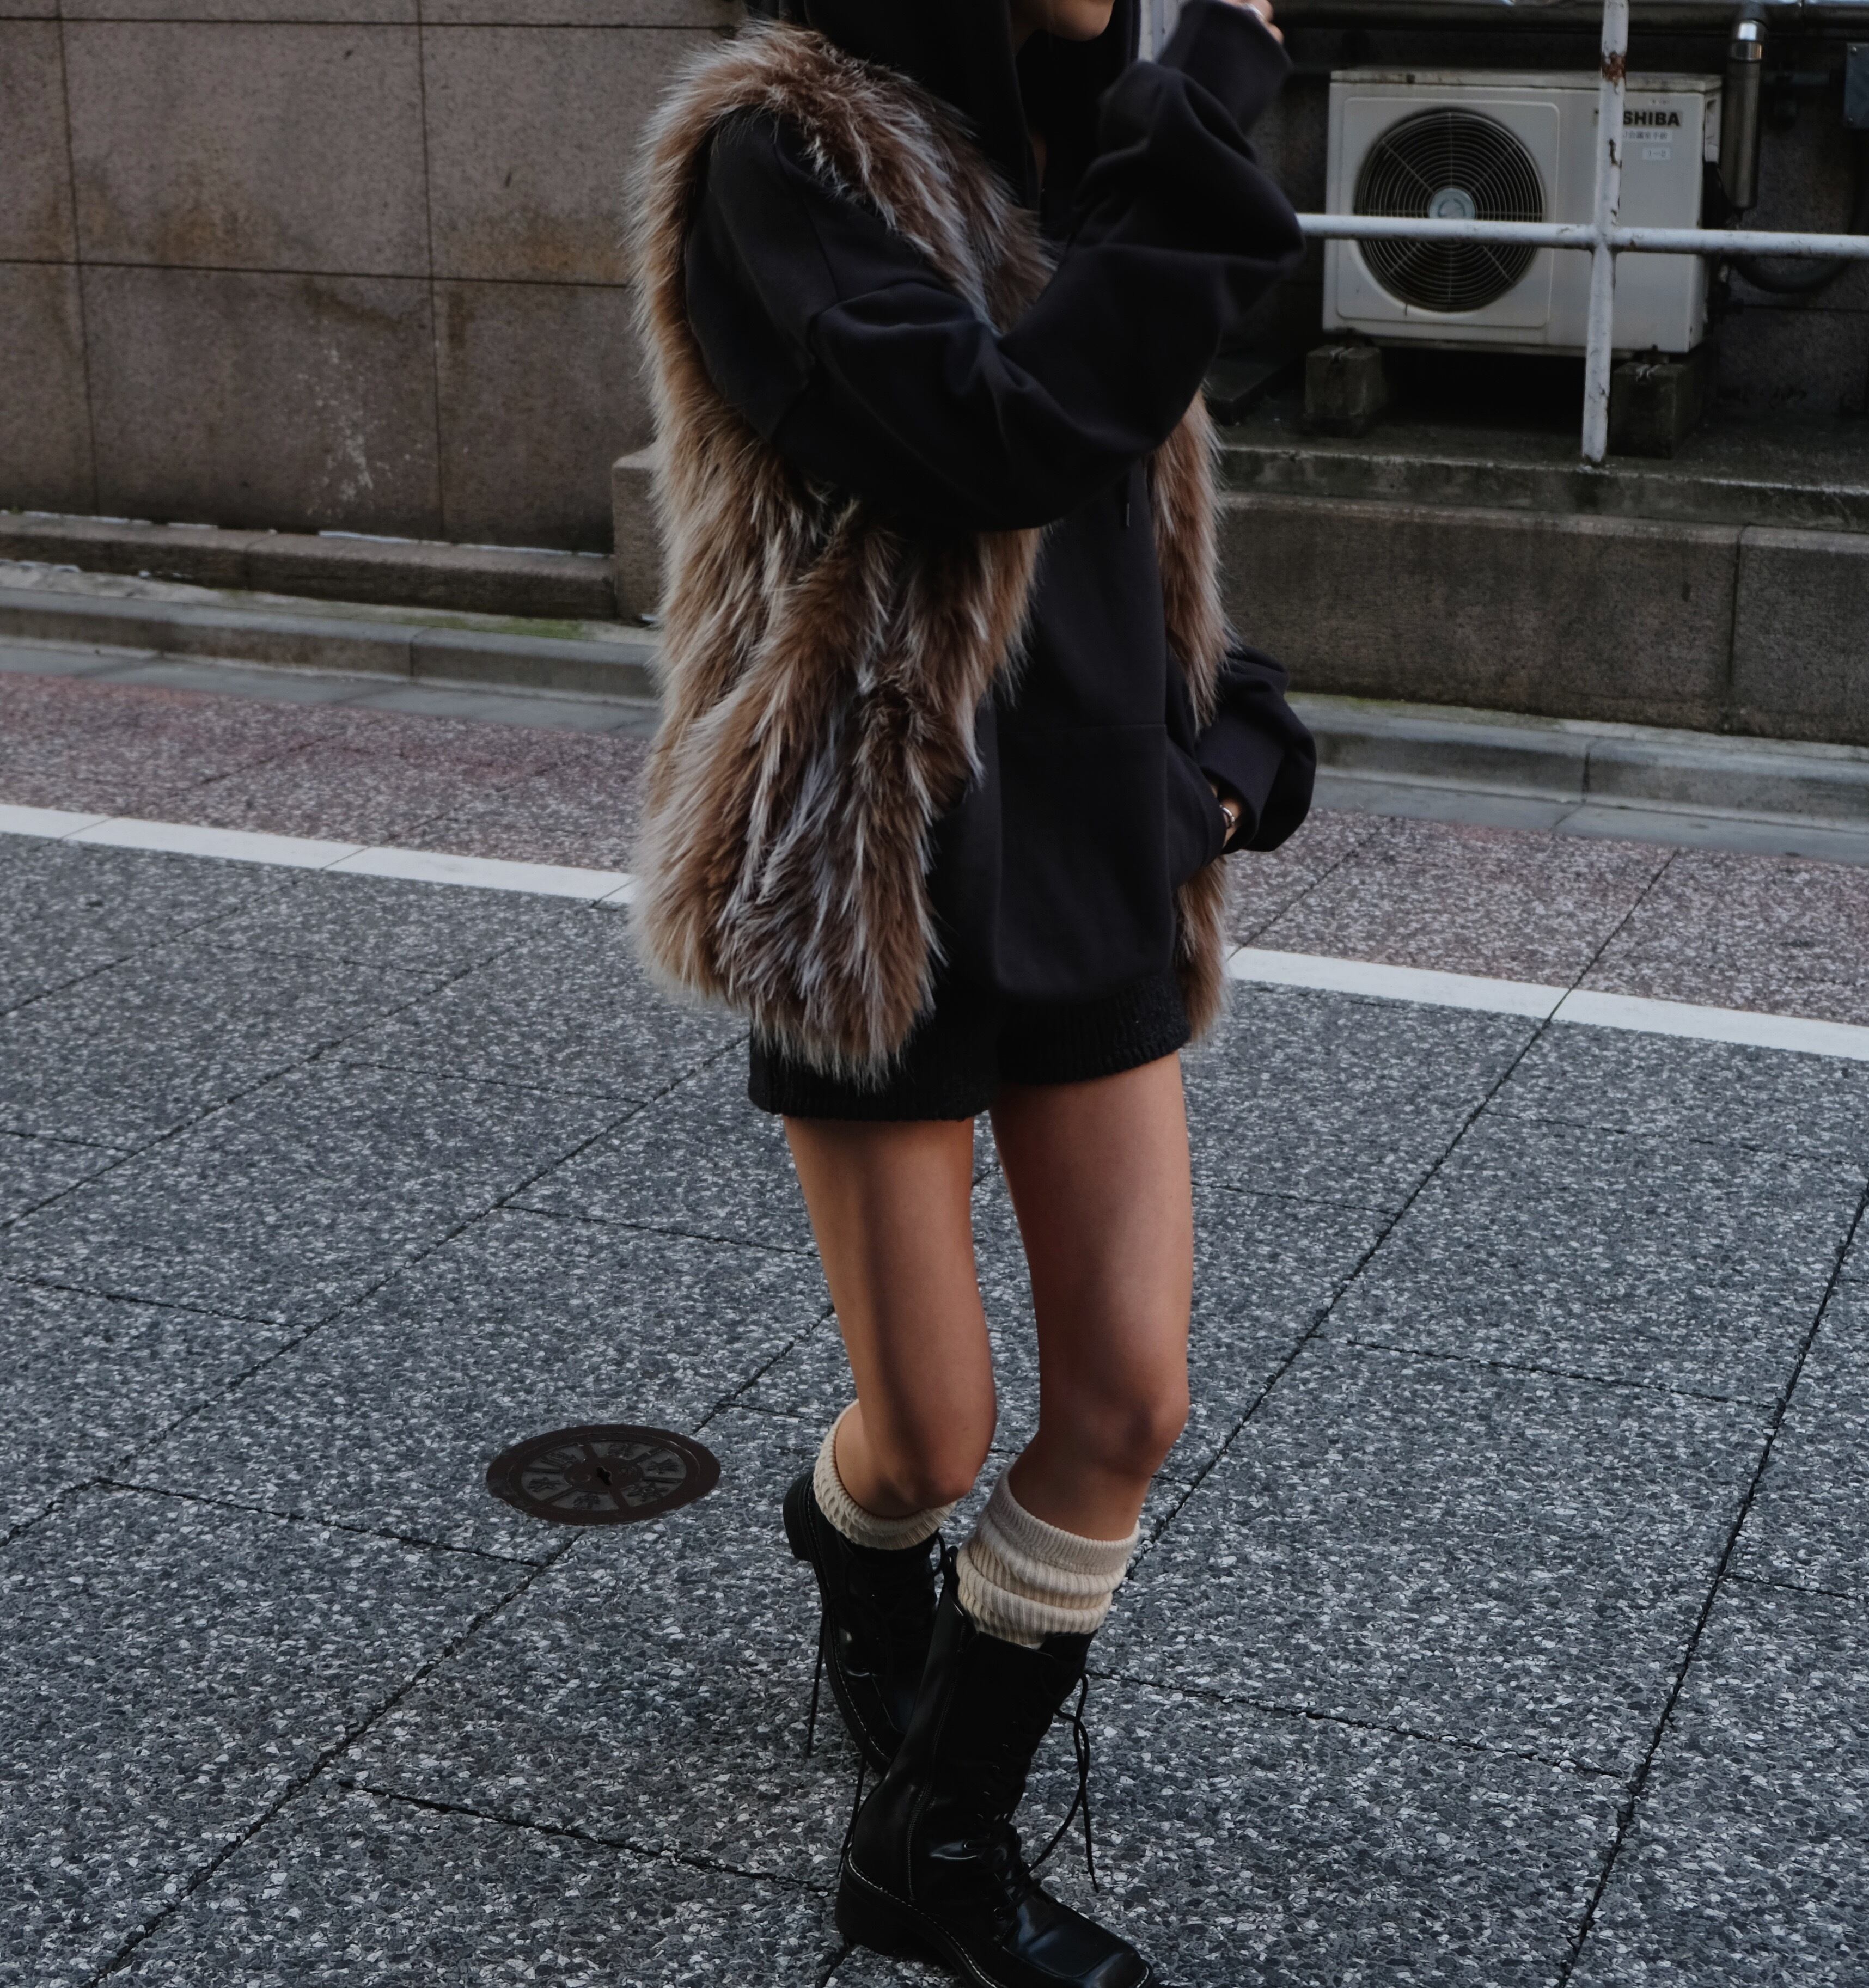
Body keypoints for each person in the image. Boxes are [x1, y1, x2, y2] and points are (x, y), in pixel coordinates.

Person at [629, 0, 1312, 1978]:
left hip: (1094, 858)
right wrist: (1204, 112)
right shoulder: (782, 157)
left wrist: (1222, 752)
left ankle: (931, 1843)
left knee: (1129, 1396)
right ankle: (852, 1536)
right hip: (883, 874)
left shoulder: (1096, 150)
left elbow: (1129, 509)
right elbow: (1000, 438)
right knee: (931, 1438)